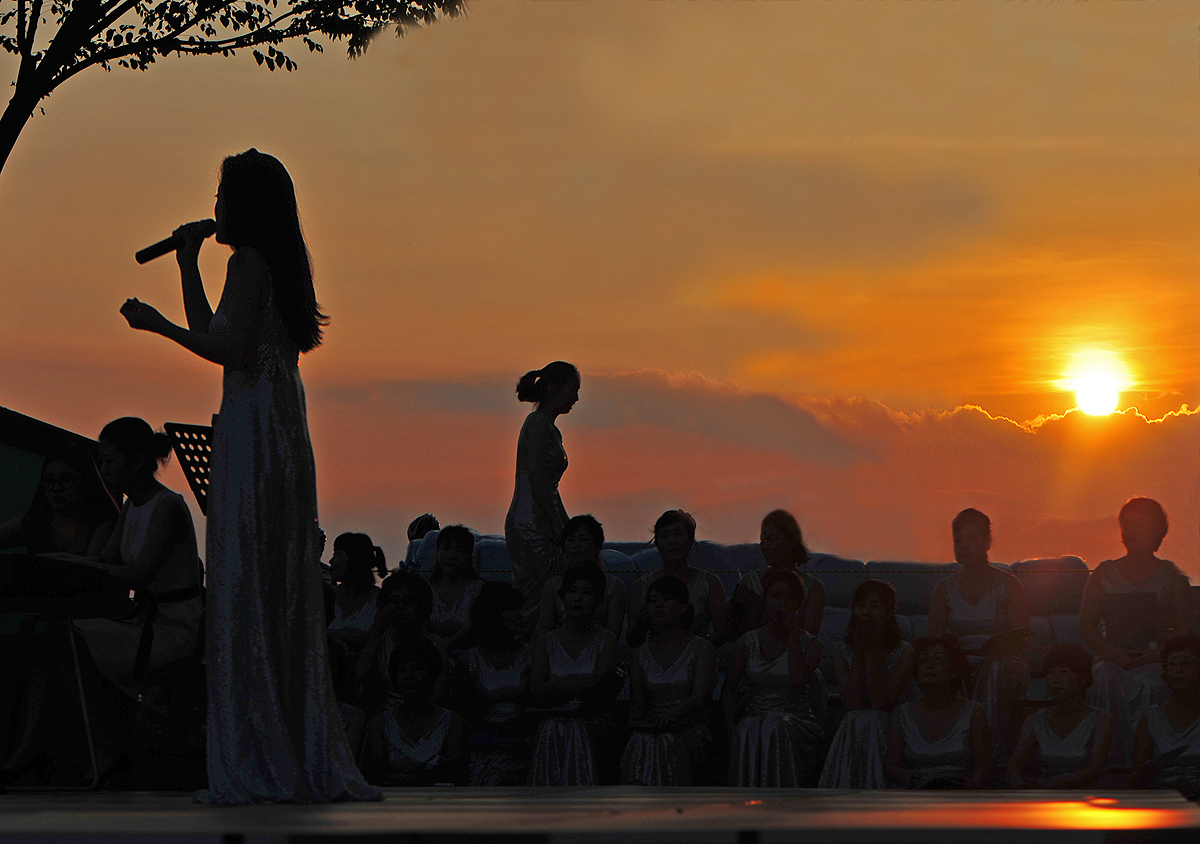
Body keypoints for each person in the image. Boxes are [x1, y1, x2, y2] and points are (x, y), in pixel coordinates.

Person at [119, 149, 377, 803]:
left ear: (244, 205)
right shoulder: (269, 264)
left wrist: (155, 326)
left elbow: (226, 349)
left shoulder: (249, 262)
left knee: (248, 579)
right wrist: (186, 264)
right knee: (268, 578)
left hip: (256, 428)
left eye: (222, 195)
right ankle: (281, 740)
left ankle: (258, 750)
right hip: (275, 424)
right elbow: (218, 332)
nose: (213, 207)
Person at [5, 418, 204, 780]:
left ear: (136, 462)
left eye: (109, 461)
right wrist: (59, 561)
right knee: (55, 642)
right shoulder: (131, 506)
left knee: (64, 642)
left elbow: (137, 575)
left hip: (171, 628)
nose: (103, 469)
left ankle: (94, 749)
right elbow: (104, 561)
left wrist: (63, 563)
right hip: (145, 622)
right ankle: (60, 749)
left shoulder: (168, 507)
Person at [1080, 497, 1192, 767]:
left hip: (1155, 659)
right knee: (1104, 677)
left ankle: (1150, 761)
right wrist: (1113, 654)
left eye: (1139, 525)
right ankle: (1107, 761)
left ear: (1157, 530)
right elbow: (1086, 625)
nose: (1131, 531)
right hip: (1111, 657)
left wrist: (1157, 656)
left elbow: (1186, 630)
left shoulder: (1173, 577)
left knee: (1152, 681)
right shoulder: (1103, 573)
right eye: (1126, 525)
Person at [927, 508, 1029, 764]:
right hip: (960, 662)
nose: (964, 546)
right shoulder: (943, 589)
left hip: (1004, 664)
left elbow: (1021, 638)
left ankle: (990, 757)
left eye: (972, 539)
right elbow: (933, 642)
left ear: (987, 541)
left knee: (995, 668)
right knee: (947, 669)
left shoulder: (1009, 584)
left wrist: (996, 651)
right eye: (958, 540)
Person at [724, 569, 826, 787]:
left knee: (776, 727)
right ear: (765, 599)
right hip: (755, 720)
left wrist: (793, 636)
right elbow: (729, 690)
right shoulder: (746, 642)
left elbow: (799, 680)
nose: (782, 604)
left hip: (795, 721)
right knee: (748, 728)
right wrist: (731, 728)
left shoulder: (811, 645)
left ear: (799, 604)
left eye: (790, 598)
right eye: (776, 596)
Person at [527, 565, 618, 786]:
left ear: (597, 601)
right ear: (562, 598)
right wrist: (580, 685)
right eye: (572, 591)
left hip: (592, 722)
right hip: (551, 720)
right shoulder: (545, 641)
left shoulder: (607, 640)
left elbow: (601, 689)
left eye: (586, 592)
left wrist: (557, 685)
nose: (578, 598)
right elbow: (536, 691)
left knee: (576, 729)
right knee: (553, 728)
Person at [819, 579, 914, 788]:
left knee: (873, 718)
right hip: (855, 723)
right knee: (857, 717)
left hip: (891, 726)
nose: (866, 612)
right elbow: (852, 704)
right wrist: (859, 654)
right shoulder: (841, 652)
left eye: (875, 606)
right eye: (861, 606)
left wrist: (870, 653)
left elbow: (881, 704)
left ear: (889, 613)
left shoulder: (905, 653)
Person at [620, 575, 714, 786]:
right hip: (650, 729)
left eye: (666, 599)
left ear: (682, 606)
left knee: (667, 742)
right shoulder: (639, 654)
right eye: (653, 601)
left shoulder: (701, 648)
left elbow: (699, 696)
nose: (658, 605)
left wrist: (671, 715)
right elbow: (638, 702)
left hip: (688, 729)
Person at [504, 361, 579, 611]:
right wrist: (557, 524)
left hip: (544, 518)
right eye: (572, 390)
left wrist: (567, 525)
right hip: (531, 524)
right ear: (551, 389)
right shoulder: (537, 423)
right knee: (535, 599)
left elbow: (551, 487)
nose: (576, 399)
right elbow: (536, 475)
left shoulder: (552, 430)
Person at [887, 635, 992, 789]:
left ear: (955, 670)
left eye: (938, 659)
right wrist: (904, 776)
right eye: (923, 660)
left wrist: (973, 784)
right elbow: (891, 766)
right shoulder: (902, 714)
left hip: (960, 793)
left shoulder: (974, 712)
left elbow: (985, 764)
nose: (929, 665)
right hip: (917, 793)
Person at [454, 582, 533, 786]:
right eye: (512, 609)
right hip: (483, 745)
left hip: (524, 743)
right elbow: (464, 712)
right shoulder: (469, 660)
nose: (520, 616)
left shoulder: (531, 654)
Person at [361, 639, 467, 786]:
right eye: (402, 670)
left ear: (432, 674)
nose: (408, 675)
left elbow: (454, 773)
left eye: (417, 669)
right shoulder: (380, 723)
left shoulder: (453, 721)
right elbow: (375, 774)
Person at [1007, 644, 1113, 788]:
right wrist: (1020, 786)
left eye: (1064, 672)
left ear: (1082, 678)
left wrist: (1047, 784)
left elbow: (1094, 770)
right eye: (1050, 672)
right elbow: (1014, 765)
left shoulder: (1101, 720)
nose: (1055, 679)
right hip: (1043, 796)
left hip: (1087, 797)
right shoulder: (1035, 720)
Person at [626, 510, 728, 648]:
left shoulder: (709, 582)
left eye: (678, 534)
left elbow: (722, 632)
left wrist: (694, 651)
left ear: (690, 540)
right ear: (657, 544)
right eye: (665, 536)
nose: (672, 541)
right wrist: (641, 624)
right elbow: (632, 639)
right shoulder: (641, 586)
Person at [354, 571, 448, 716]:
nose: (400, 606)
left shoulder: (435, 643)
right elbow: (361, 676)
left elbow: (440, 692)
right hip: (383, 716)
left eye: (408, 601)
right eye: (394, 601)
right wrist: (376, 632)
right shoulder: (380, 641)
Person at [725, 510, 825, 643]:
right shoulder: (749, 581)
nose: (764, 547)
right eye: (762, 540)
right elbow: (733, 630)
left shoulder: (813, 588)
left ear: (791, 542)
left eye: (771, 540)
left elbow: (808, 637)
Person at [0, 445, 118, 556]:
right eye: (49, 480)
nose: (56, 488)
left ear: (86, 483)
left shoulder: (102, 524)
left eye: (66, 480)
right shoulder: (33, 524)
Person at [1132, 633, 1200, 799]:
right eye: (1172, 664)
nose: (1178, 670)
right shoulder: (1151, 718)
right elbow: (1136, 777)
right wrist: (1146, 774)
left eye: (1186, 663)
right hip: (1161, 801)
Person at [536, 514, 627, 640]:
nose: (576, 545)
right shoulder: (553, 585)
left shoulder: (614, 586)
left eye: (583, 540)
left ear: (597, 546)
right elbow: (545, 630)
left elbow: (613, 633)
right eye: (571, 540)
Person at [427, 525, 484, 652]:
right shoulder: (424, 589)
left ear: (469, 555)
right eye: (446, 548)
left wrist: (445, 649)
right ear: (437, 552)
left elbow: (471, 630)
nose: (451, 555)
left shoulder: (479, 591)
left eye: (460, 550)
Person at [327, 533, 383, 648]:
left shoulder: (381, 600)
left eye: (338, 554)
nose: (331, 561)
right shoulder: (326, 597)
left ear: (357, 560)